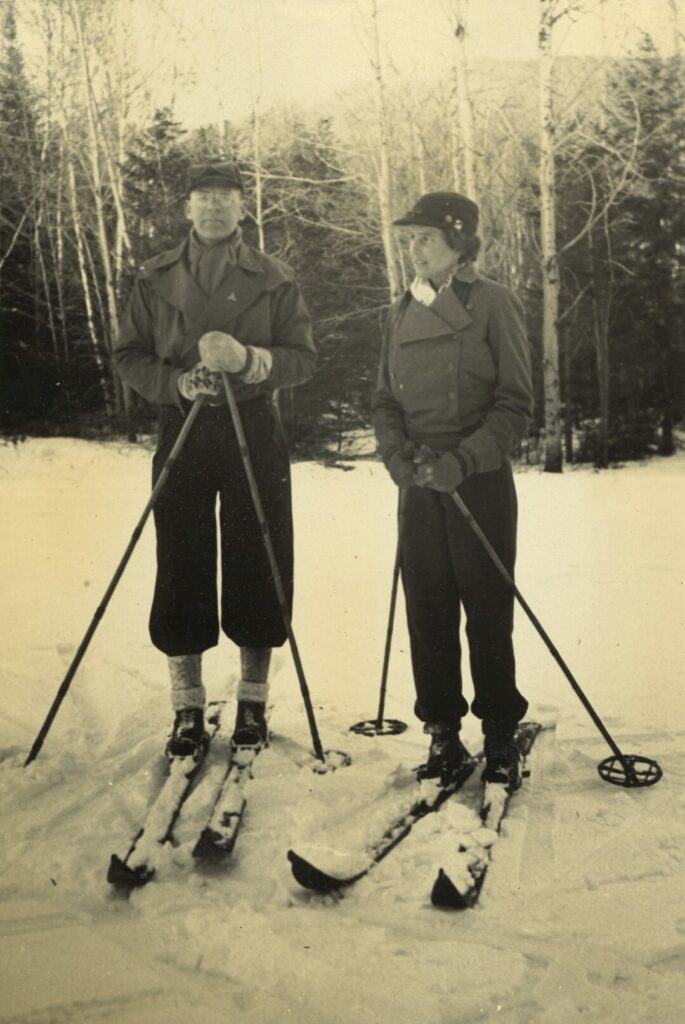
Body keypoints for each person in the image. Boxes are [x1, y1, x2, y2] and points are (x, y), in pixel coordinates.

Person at [114, 160, 315, 758]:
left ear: (243, 208)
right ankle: (186, 708)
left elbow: (302, 356)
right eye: (202, 198)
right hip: (185, 425)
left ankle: (253, 701)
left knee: (261, 557)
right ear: (186, 209)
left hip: (253, 424)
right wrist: (178, 383)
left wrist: (253, 360)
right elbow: (128, 354)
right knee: (181, 557)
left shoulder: (276, 279)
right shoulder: (153, 279)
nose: (213, 208)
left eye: (225, 198)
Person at [372, 191, 533, 789]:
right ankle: (442, 733)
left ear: (460, 243)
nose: (414, 249)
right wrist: (396, 456)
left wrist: (464, 460)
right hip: (419, 482)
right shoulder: (398, 310)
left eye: (426, 239)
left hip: (477, 480)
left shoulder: (494, 303)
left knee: (487, 608)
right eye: (410, 239)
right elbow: (385, 400)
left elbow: (516, 404)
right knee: (427, 607)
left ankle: (498, 736)